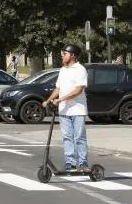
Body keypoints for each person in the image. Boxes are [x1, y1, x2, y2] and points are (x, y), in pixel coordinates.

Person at [42, 44, 89, 172]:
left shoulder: (80, 69)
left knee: (79, 137)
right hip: (64, 110)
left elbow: (78, 90)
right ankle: (70, 163)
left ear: (72, 55)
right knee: (67, 137)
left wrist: (61, 99)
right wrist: (48, 100)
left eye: (65, 54)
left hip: (78, 109)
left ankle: (83, 164)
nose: (62, 56)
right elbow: (58, 88)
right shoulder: (63, 70)